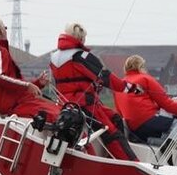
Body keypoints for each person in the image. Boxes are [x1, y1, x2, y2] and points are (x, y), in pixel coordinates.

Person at [50, 23, 139, 161]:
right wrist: (129, 88)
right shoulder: (82, 56)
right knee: (111, 132)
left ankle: (111, 159)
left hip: (65, 106)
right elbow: (106, 77)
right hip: (85, 105)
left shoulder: (54, 58)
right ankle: (131, 165)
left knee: (115, 118)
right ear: (81, 38)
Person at [0, 16, 60, 121]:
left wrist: (37, 83)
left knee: (57, 111)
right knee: (58, 114)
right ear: (0, 31)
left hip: (18, 103)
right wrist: (28, 85)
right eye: (5, 28)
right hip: (16, 105)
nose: (6, 30)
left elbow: (13, 85)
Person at [115, 55, 177, 142]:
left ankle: (161, 144)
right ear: (141, 66)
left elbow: (119, 111)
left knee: (163, 127)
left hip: (134, 129)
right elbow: (165, 103)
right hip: (146, 120)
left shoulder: (120, 86)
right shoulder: (145, 78)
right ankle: (169, 147)